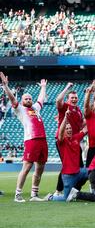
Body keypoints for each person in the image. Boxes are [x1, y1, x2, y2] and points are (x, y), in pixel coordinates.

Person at [1, 73, 48, 202]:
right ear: (21, 101)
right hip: (31, 140)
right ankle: (18, 194)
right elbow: (11, 98)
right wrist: (5, 86)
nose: (28, 100)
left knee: (40, 168)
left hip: (42, 140)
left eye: (29, 99)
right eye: (26, 99)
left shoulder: (36, 108)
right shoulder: (20, 109)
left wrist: (43, 87)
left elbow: (41, 99)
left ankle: (34, 194)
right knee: (27, 167)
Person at [46, 108, 88, 201]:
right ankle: (51, 197)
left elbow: (85, 129)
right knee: (66, 198)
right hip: (68, 175)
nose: (69, 130)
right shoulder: (62, 142)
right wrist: (65, 117)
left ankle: (94, 191)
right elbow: (60, 132)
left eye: (70, 128)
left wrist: (91, 115)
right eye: (67, 129)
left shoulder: (76, 138)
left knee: (92, 172)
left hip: (79, 172)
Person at [54, 81, 82, 196]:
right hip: (63, 140)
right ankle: (59, 190)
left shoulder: (79, 110)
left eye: (75, 98)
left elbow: (82, 123)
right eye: (72, 98)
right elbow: (57, 101)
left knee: (80, 165)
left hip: (74, 141)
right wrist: (67, 87)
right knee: (67, 165)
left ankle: (74, 189)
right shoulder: (64, 107)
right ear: (68, 99)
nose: (74, 99)